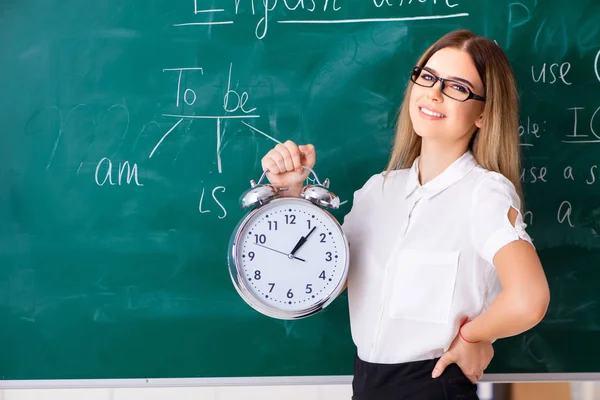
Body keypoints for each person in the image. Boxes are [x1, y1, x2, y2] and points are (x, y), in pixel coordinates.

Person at [260, 29, 550, 400]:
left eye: (457, 87)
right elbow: (318, 282)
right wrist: (291, 194)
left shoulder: (483, 193)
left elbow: (529, 298)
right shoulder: (378, 191)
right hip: (365, 384)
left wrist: (474, 336)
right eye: (427, 77)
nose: (433, 92)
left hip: (432, 385)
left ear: (483, 113)